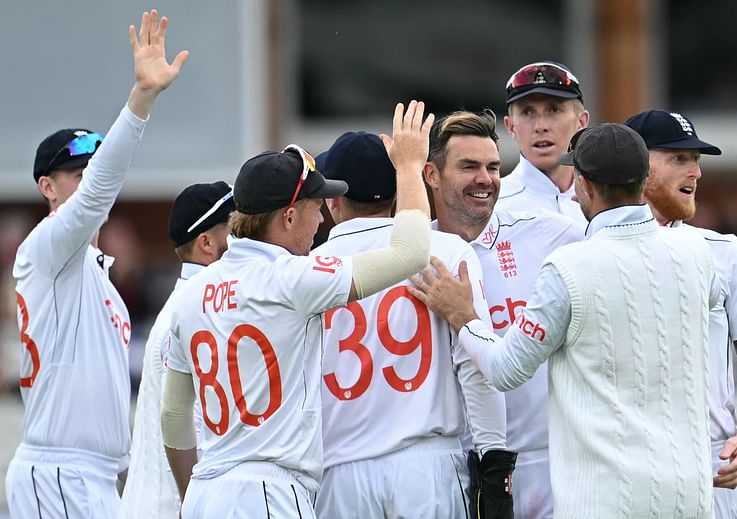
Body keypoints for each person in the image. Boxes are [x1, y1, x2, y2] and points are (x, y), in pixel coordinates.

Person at [411, 123, 720, 518]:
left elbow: (505, 370)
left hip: (606, 498)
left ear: (584, 185)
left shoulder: (569, 266)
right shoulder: (696, 251)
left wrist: (465, 317)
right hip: (689, 493)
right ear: (644, 182)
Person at [161, 101, 435, 518]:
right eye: (313, 209)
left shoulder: (191, 292)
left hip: (206, 492)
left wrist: (193, 494)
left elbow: (175, 415)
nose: (321, 222)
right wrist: (411, 166)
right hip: (269, 491)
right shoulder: (292, 279)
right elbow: (411, 252)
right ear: (288, 217)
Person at [6, 10, 188, 518]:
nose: (91, 180)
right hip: (60, 475)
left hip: (94, 477)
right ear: (47, 187)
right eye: (77, 172)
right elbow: (95, 197)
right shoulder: (46, 248)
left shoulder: (96, 273)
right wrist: (141, 102)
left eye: (94, 168)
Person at [312, 131, 509, 518]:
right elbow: (476, 369)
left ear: (332, 201)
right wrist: (493, 462)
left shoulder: (306, 271)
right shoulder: (447, 252)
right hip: (427, 469)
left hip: (339, 473)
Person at [423, 109, 584, 519]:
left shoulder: (552, 233)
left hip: (551, 465)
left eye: (494, 167)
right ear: (432, 175)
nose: (486, 179)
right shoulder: (411, 255)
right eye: (469, 166)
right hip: (451, 470)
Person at [624, 109, 737, 518]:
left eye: (696, 160)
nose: (696, 172)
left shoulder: (726, 253)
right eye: (678, 158)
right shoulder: (591, 252)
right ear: (637, 163)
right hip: (627, 465)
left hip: (711, 464)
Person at [120, 181, 235, 518]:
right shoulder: (193, 311)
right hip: (170, 506)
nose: (245, 241)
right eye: (236, 230)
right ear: (207, 243)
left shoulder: (192, 305)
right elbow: (186, 422)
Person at [496, 61, 589, 223]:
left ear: (581, 122)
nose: (541, 127)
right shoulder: (492, 207)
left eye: (554, 110)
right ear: (511, 127)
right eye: (527, 112)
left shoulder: (607, 201)